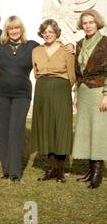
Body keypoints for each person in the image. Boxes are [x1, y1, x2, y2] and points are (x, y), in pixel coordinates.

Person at [31, 19, 75, 183]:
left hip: (61, 89)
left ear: (56, 32)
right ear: (41, 33)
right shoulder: (36, 50)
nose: (48, 34)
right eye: (45, 32)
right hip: (42, 89)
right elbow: (36, 72)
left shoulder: (66, 50)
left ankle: (61, 170)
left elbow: (72, 75)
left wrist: (62, 88)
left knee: (61, 127)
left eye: (51, 31)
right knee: (46, 127)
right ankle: (51, 168)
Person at [0, 16, 39, 182]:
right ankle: (6, 169)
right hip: (1, 94)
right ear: (6, 31)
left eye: (17, 28)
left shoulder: (32, 46)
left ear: (22, 29)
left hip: (22, 95)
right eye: (10, 29)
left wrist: (69, 46)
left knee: (16, 130)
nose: (14, 31)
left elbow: (52, 47)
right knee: (4, 131)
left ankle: (15, 172)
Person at [72, 9, 107, 189]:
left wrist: (106, 95)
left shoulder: (106, 42)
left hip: (100, 92)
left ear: (97, 23)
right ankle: (90, 169)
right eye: (84, 23)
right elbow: (78, 73)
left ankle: (97, 173)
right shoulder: (79, 44)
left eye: (90, 22)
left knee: (99, 132)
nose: (87, 26)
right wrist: (76, 94)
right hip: (84, 92)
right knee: (86, 131)